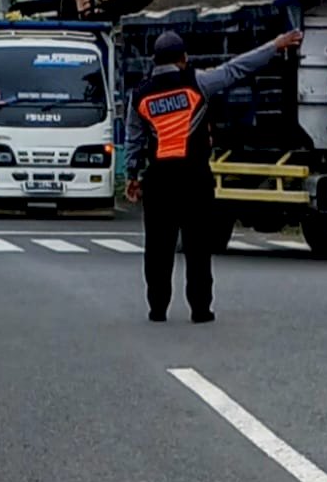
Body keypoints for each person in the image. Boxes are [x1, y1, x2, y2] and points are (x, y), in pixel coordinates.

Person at [125, 27, 303, 324]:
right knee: (197, 247)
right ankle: (200, 309)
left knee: (158, 248)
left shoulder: (140, 95)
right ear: (183, 58)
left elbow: (134, 140)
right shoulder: (198, 83)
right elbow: (237, 68)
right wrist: (275, 44)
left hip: (159, 181)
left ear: (154, 60)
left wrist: (132, 175)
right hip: (194, 178)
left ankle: (157, 308)